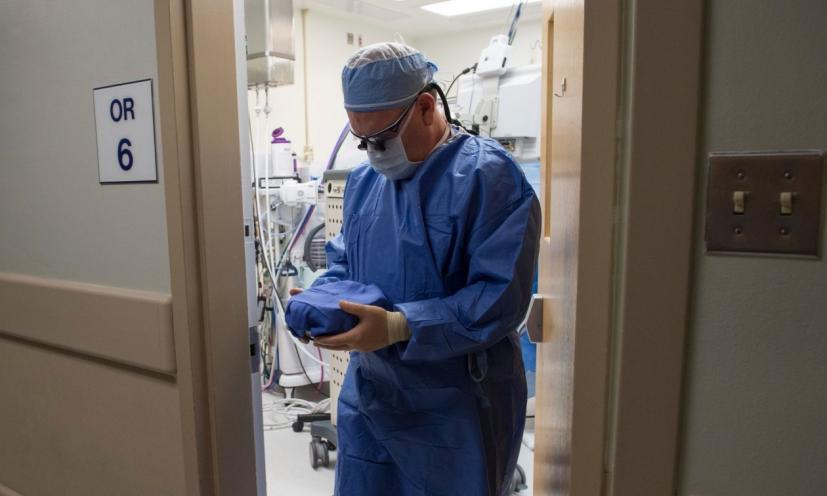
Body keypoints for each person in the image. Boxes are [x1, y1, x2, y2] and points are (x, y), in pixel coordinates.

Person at [294, 42, 541, 496]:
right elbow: (346, 262)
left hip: (457, 409)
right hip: (372, 398)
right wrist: (322, 301)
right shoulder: (364, 183)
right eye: (363, 142)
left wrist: (400, 326)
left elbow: (499, 298)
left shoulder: (490, 178)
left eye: (382, 140)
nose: (373, 154)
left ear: (426, 108)